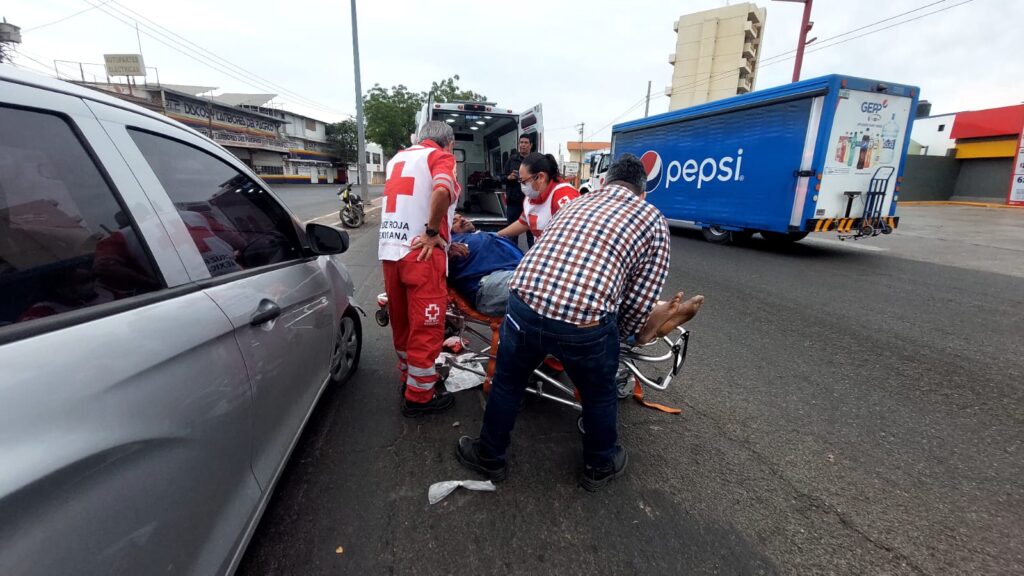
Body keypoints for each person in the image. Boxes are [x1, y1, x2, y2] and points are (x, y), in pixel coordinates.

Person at [455, 154, 704, 491]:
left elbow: (543, 251)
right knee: (598, 393)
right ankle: (599, 466)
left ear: (604, 182)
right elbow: (640, 295)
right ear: (642, 194)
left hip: (524, 303)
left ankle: (489, 457)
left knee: (508, 383)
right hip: (583, 322)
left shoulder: (577, 202)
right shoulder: (652, 218)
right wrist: (623, 337)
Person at [379, 121, 461, 417]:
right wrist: (430, 231)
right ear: (448, 142)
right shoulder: (440, 157)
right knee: (427, 327)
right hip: (421, 254)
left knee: (402, 323)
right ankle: (419, 396)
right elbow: (441, 190)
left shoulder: (397, 159)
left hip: (391, 253)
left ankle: (409, 378)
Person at [497, 152, 580, 245]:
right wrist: (496, 235)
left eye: (524, 181)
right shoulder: (532, 197)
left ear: (541, 177)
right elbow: (524, 222)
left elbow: (574, 236)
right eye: (519, 181)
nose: (522, 186)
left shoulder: (563, 196)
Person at [448, 213, 523, 316]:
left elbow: (524, 222)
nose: (462, 220)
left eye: (462, 217)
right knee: (539, 282)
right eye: (454, 222)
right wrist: (447, 250)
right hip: (487, 282)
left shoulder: (489, 235)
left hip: (517, 273)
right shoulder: (451, 245)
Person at [502, 135, 533, 247]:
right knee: (512, 234)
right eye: (521, 142)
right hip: (513, 202)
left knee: (531, 233)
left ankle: (532, 260)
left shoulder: (535, 161)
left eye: (525, 143)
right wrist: (508, 178)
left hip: (530, 202)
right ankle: (512, 259)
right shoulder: (511, 160)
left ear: (530, 145)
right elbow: (502, 178)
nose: (523, 145)